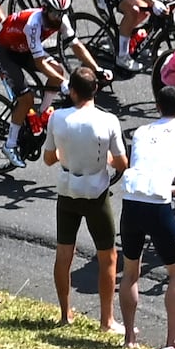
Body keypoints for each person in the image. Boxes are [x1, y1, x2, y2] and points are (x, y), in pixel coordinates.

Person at [40, 71, 131, 330]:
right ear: (96, 90)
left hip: (67, 189)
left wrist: (66, 153)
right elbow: (122, 162)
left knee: (64, 253)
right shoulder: (108, 120)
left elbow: (48, 158)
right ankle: (107, 319)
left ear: (73, 91)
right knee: (108, 256)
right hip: (96, 192)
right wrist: (105, 160)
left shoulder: (57, 117)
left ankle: (65, 314)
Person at [116, 96, 175, 349]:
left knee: (131, 271)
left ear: (157, 107)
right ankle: (173, 341)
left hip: (131, 204)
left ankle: (129, 338)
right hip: (158, 207)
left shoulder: (142, 132)